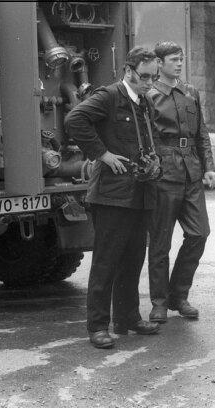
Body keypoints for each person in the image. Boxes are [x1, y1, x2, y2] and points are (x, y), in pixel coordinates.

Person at [65, 46, 161, 348]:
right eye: (143, 76)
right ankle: (97, 326)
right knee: (106, 262)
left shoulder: (144, 102)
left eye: (153, 77)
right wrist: (102, 154)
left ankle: (127, 318)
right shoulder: (109, 96)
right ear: (128, 70)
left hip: (140, 193)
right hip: (111, 195)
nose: (148, 82)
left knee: (133, 259)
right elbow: (74, 120)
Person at [146, 41, 215, 324]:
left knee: (200, 233)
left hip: (191, 171)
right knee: (160, 243)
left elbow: (201, 133)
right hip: (164, 173)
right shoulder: (150, 95)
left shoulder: (190, 92)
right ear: (160, 63)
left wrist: (210, 168)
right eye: (174, 59)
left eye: (181, 59)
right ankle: (160, 302)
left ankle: (179, 295)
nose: (179, 63)